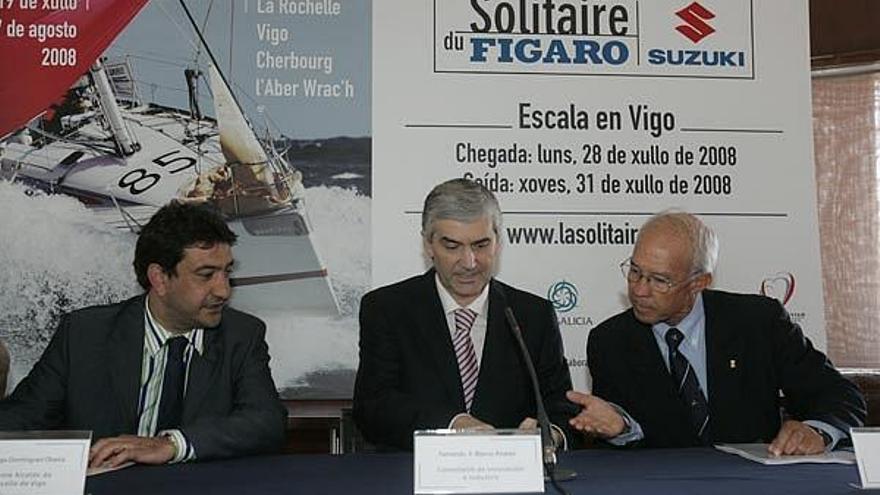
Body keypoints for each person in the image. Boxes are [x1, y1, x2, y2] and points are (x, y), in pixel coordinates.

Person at [0, 201, 286, 467]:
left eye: (226, 272)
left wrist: (172, 444)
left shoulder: (242, 336)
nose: (224, 290)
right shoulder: (85, 334)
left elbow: (266, 422)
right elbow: (21, 418)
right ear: (159, 278)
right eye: (206, 274)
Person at [568, 211, 866, 455]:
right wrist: (622, 428)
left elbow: (840, 396)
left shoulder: (758, 322)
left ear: (699, 282)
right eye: (635, 271)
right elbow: (627, 440)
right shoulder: (610, 342)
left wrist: (816, 431)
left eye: (660, 280)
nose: (639, 289)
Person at [353, 178, 577, 450]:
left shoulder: (533, 315)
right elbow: (374, 407)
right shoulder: (387, 309)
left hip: (510, 481)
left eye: (481, 245)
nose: (469, 262)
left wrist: (548, 434)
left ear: (498, 242)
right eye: (452, 246)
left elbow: (562, 408)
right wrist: (453, 425)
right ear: (428, 245)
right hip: (411, 478)